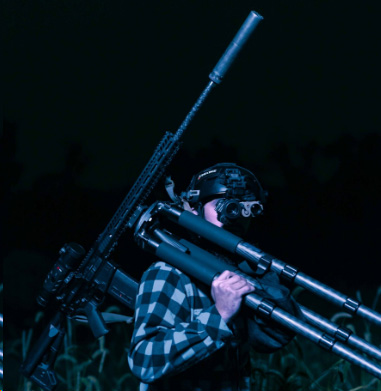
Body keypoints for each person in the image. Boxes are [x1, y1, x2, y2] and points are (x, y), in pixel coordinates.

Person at [128, 163, 302, 391]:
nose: (234, 216)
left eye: (245, 207)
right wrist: (218, 315)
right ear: (193, 208)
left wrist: (267, 293)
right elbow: (144, 361)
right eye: (223, 204)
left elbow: (272, 339)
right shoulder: (169, 273)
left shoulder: (241, 272)